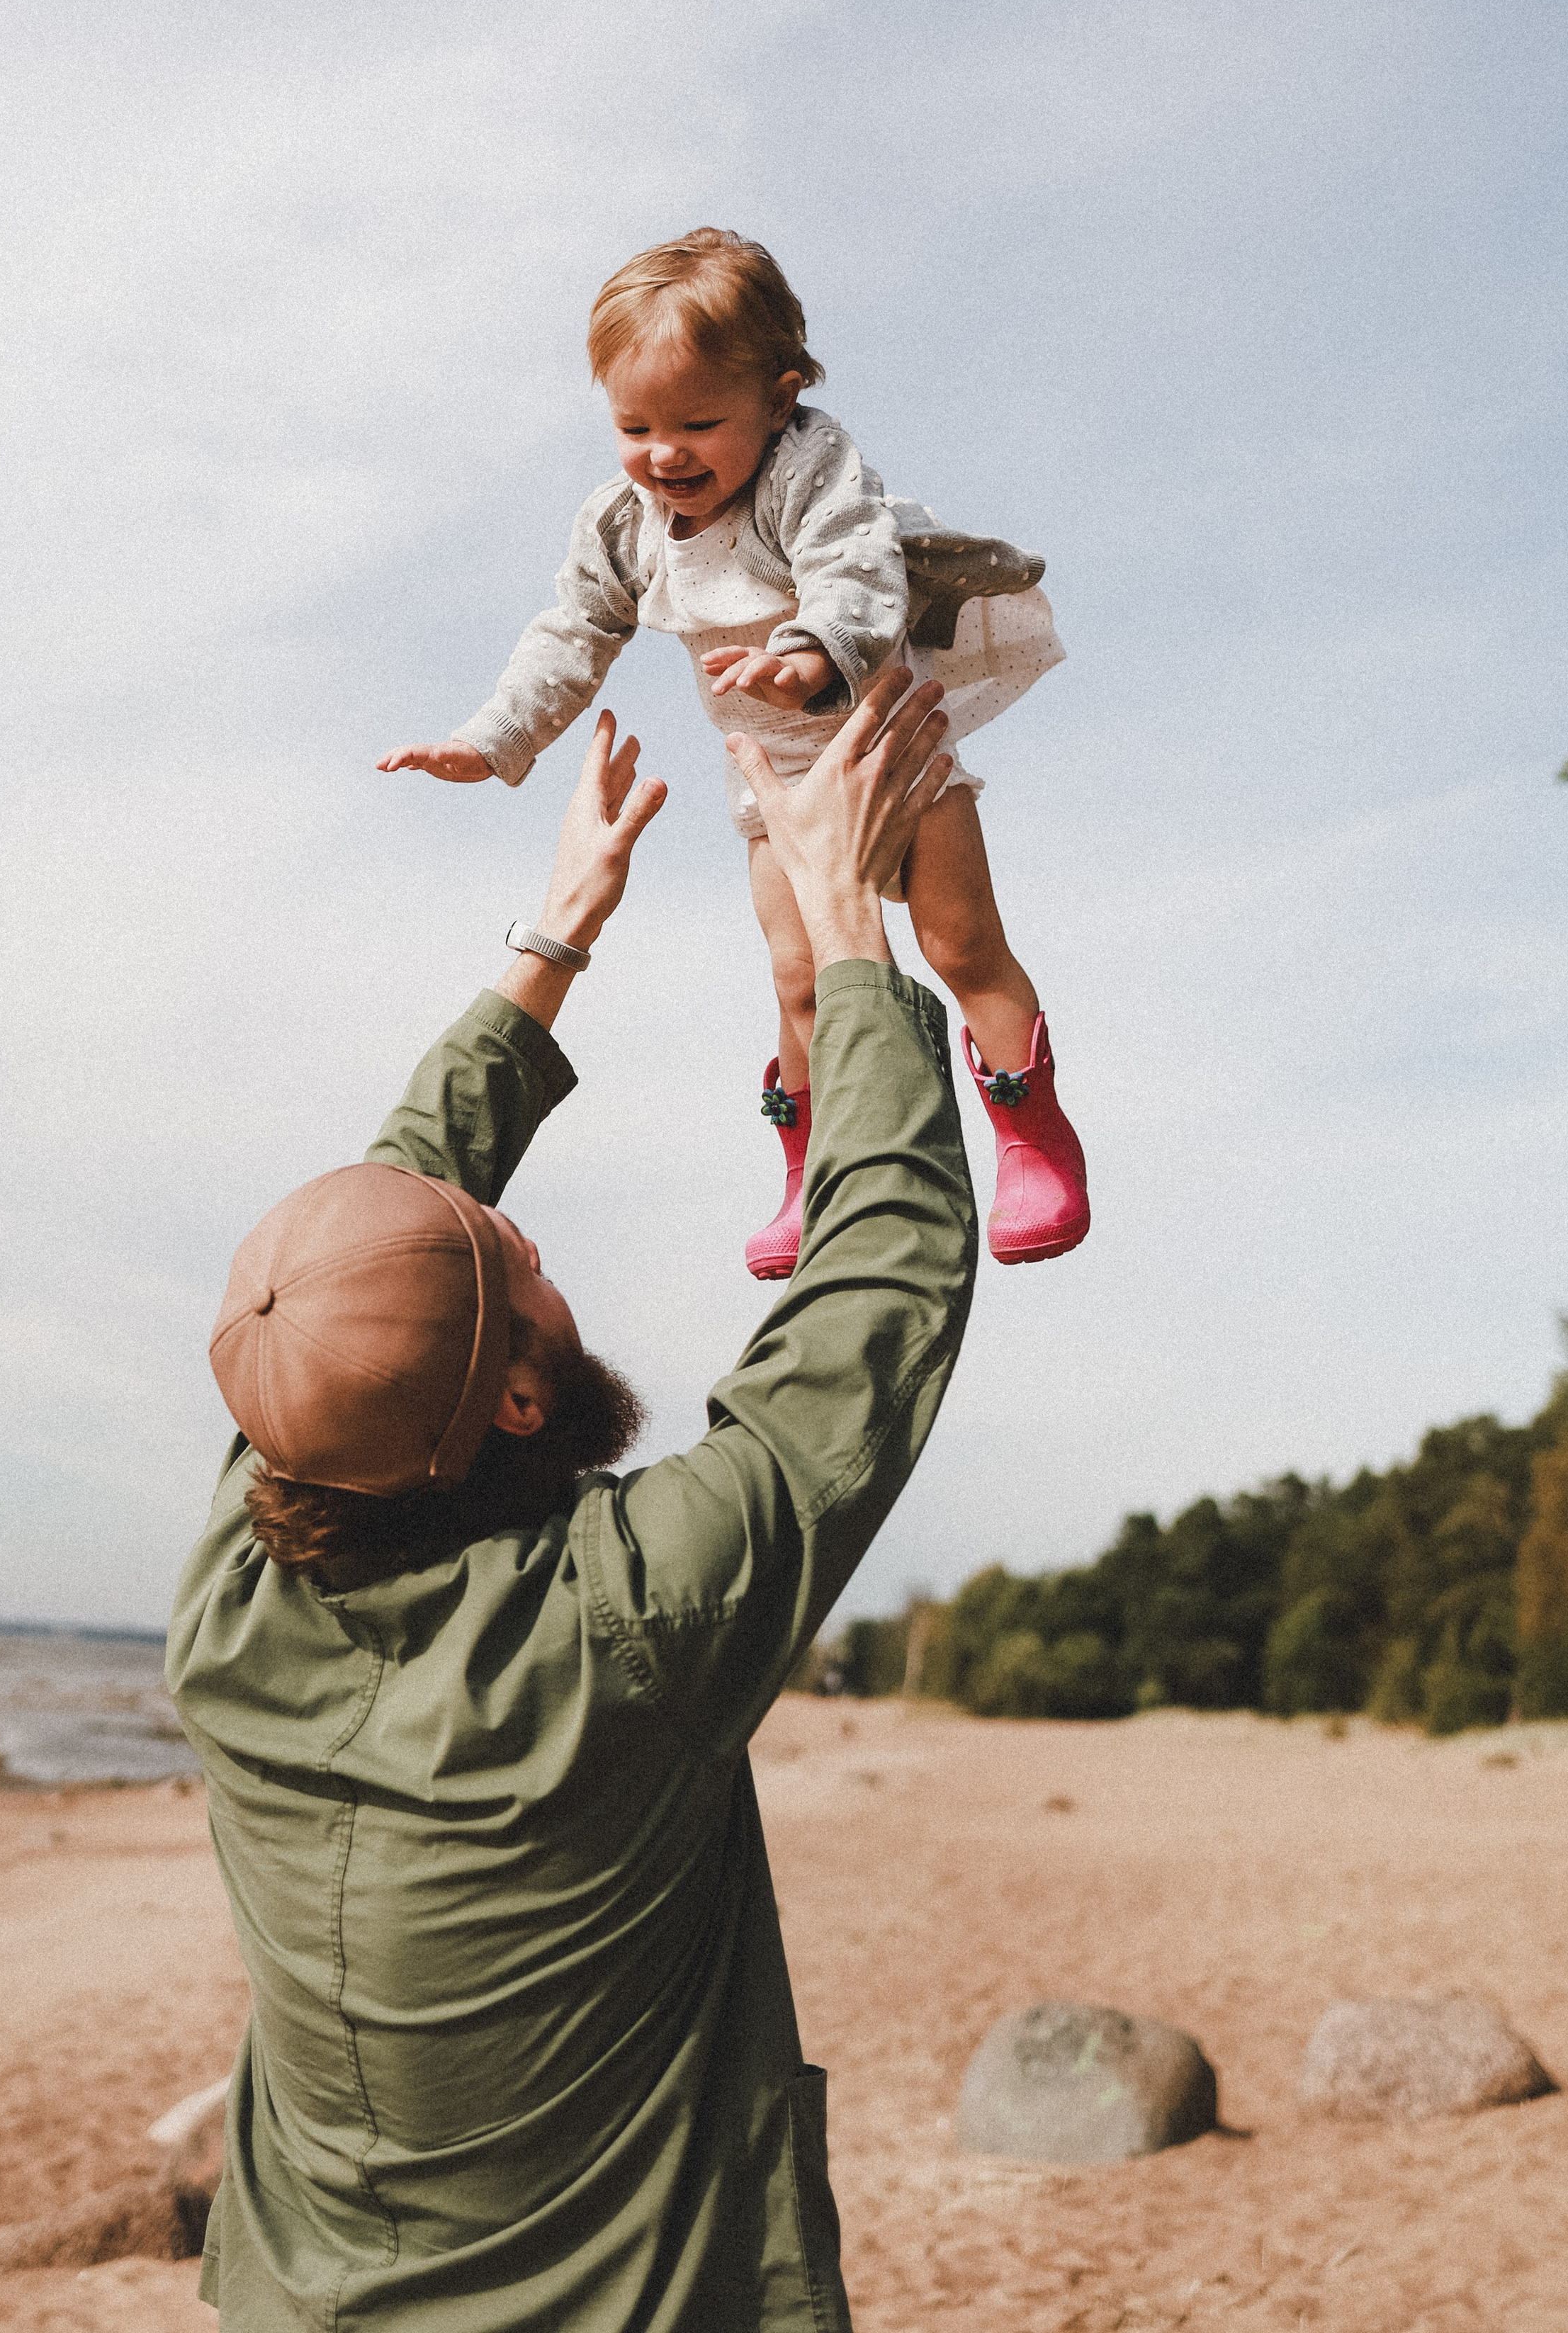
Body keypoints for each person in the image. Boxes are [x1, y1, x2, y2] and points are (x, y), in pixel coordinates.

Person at [169, 667, 977, 2330]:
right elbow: (872, 1302)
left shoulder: (237, 1589)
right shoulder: (629, 1621)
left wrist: (550, 946)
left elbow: (360, 1285)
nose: (526, 1235)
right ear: (522, 1401)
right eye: (511, 1268)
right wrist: (844, 931)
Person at [378, 227, 1089, 1275]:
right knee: (798, 980)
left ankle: (1032, 1134)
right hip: (777, 786)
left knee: (957, 943)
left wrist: (809, 653)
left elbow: (854, 570)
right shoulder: (624, 525)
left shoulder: (811, 470)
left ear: (780, 394)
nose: (665, 454)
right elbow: (574, 634)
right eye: (634, 426)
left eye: (699, 423)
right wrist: (493, 738)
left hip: (886, 744)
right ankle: (810, 1171)